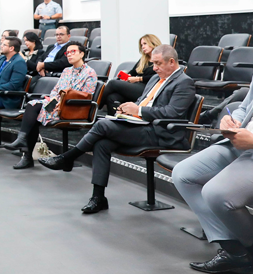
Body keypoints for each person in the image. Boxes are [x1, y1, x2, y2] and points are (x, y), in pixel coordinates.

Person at [172, 22, 253, 274]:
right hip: (240, 144)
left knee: (216, 193)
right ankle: (240, 249)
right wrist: (230, 119)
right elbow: (245, 107)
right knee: (182, 173)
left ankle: (245, 248)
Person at [40, 44, 195, 214]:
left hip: (161, 133)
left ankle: (67, 157)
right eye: (153, 64)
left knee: (101, 125)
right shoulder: (155, 78)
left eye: (158, 64)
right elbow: (142, 101)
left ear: (171, 62)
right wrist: (129, 108)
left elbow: (172, 113)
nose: (155, 68)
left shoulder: (184, 82)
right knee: (102, 144)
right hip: (142, 126)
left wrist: (139, 111)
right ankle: (98, 197)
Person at [5, 41, 97, 169]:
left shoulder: (90, 73)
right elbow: (56, 90)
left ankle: (25, 151)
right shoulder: (66, 71)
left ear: (81, 54)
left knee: (33, 112)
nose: (69, 55)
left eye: (73, 52)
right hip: (56, 104)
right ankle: (23, 144)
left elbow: (86, 95)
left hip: (73, 107)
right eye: (67, 53)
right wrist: (52, 99)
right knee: (32, 105)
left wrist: (63, 101)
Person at [103, 34, 161, 112]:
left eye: (145, 44)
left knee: (112, 83)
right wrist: (128, 76)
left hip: (148, 88)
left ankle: (92, 107)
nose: (143, 47)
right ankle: (114, 121)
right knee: (112, 97)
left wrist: (138, 79)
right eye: (141, 45)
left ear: (153, 43)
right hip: (137, 86)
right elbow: (133, 71)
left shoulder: (161, 58)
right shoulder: (144, 59)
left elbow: (157, 76)